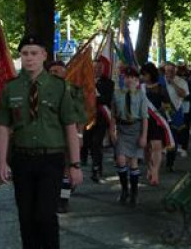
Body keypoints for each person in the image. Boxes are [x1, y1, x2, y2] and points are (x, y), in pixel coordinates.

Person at [0, 35, 82, 249]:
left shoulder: (59, 87)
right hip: (22, 159)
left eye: (34, 52)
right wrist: (2, 161)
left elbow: (70, 126)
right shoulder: (11, 88)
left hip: (51, 158)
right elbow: (3, 127)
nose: (29, 58)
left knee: (45, 214)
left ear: (44, 55)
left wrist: (75, 164)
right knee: (26, 217)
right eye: (25, 53)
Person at [48, 58, 85, 213]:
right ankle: (53, 198)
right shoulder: (44, 89)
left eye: (57, 71)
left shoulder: (73, 90)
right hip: (51, 136)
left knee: (67, 168)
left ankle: (63, 200)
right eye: (51, 71)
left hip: (68, 134)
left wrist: (80, 135)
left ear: (65, 72)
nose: (53, 74)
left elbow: (81, 115)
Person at [109, 67, 149, 206]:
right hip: (122, 129)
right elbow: (113, 114)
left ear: (137, 81)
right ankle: (124, 189)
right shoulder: (117, 94)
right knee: (120, 160)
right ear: (123, 79)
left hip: (136, 129)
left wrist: (144, 136)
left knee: (133, 162)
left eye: (133, 78)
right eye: (127, 77)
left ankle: (134, 192)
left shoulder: (141, 95)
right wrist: (111, 130)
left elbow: (145, 117)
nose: (130, 80)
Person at [83, 55, 115, 184]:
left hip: (101, 118)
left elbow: (106, 99)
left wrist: (93, 98)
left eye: (99, 68)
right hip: (86, 117)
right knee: (86, 141)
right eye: (95, 67)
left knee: (97, 143)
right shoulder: (85, 81)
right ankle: (83, 159)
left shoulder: (108, 83)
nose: (97, 70)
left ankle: (96, 168)